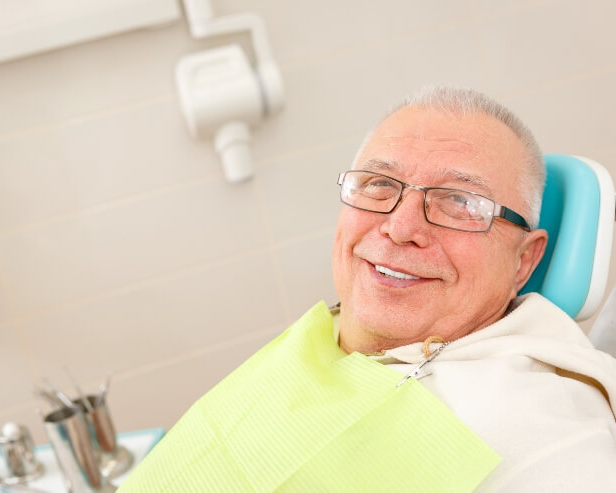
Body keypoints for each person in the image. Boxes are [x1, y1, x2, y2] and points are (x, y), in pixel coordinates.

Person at [118, 86, 616, 492]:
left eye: (459, 201)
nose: (400, 228)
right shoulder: (326, 336)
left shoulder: (544, 434)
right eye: (378, 184)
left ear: (524, 260)